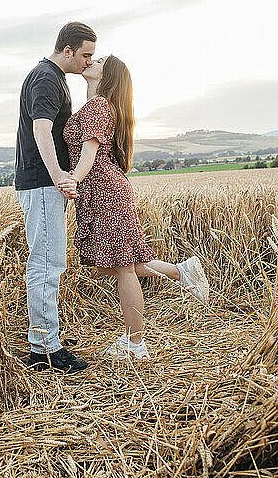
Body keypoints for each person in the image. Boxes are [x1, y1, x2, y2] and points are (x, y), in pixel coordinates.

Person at [58, 55, 209, 360]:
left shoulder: (100, 105)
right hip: (103, 191)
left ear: (108, 73)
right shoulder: (101, 105)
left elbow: (88, 151)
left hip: (104, 191)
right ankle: (182, 272)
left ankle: (135, 343)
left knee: (122, 267)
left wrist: (73, 179)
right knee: (109, 265)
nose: (92, 60)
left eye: (98, 60)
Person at [14, 21, 96, 374]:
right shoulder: (46, 78)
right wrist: (60, 176)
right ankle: (44, 351)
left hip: (42, 183)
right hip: (42, 182)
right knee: (47, 264)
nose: (88, 62)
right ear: (67, 50)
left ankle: (46, 336)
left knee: (49, 261)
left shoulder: (51, 76)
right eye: (85, 55)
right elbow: (41, 128)